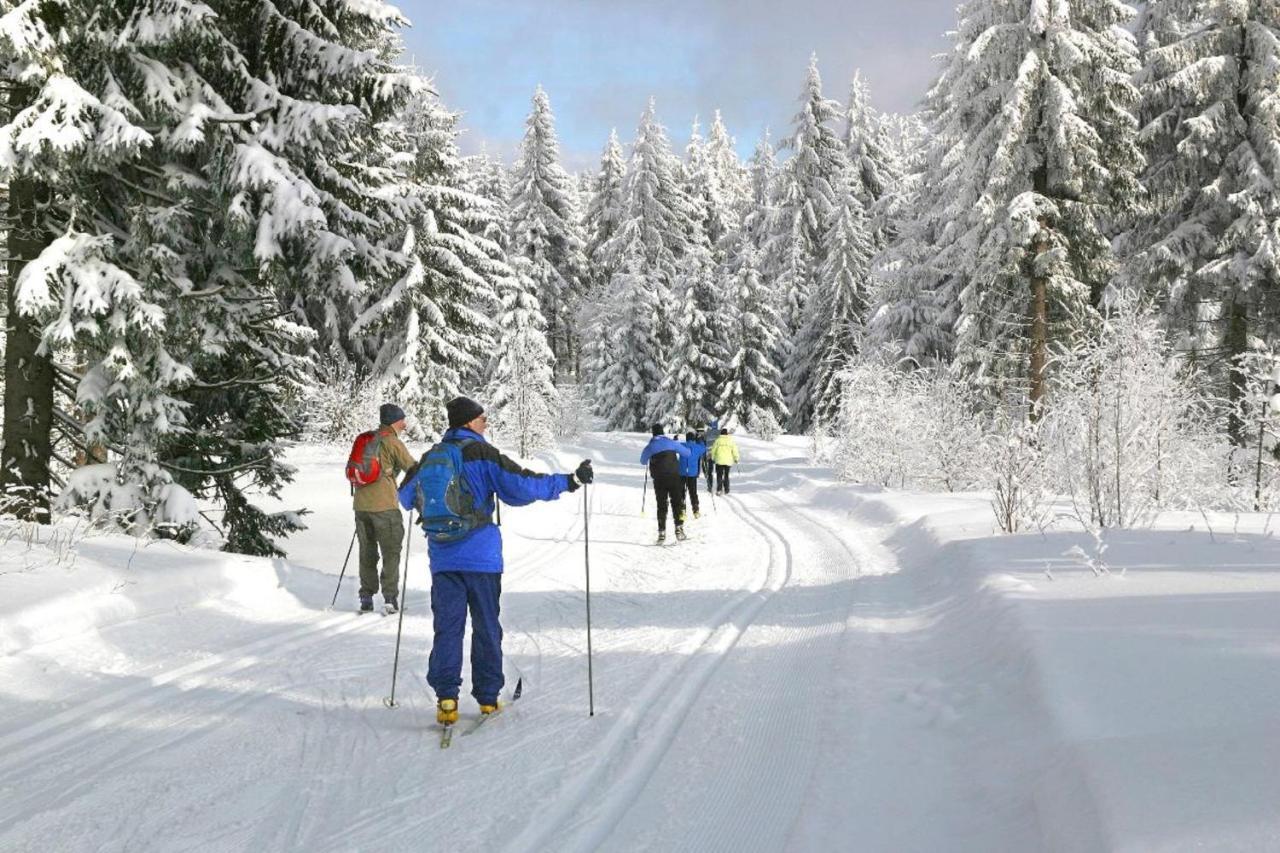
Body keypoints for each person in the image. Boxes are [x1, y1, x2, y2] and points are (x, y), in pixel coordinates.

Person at [398, 395, 593, 726]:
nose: (486, 423)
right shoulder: (482, 454)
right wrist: (570, 482)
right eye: (482, 419)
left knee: (447, 627)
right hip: (481, 557)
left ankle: (447, 699)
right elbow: (521, 486)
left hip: (443, 558)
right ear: (470, 422)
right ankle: (488, 698)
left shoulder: (432, 457)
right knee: (486, 625)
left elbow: (405, 497)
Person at [353, 403, 416, 614]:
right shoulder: (392, 442)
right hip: (385, 506)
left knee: (367, 551)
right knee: (391, 551)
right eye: (402, 420)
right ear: (394, 422)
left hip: (361, 506)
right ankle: (390, 598)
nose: (404, 424)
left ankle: (366, 597)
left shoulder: (365, 439)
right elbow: (413, 468)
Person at [640, 424, 690, 543]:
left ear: (653, 434)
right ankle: (679, 529)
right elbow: (687, 453)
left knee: (661, 505)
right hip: (674, 477)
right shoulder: (671, 443)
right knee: (677, 502)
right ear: (663, 432)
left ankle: (661, 533)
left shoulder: (650, 446)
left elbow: (642, 461)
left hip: (659, 479)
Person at [680, 431, 707, 519]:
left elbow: (673, 446)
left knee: (681, 492)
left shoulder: (682, 445)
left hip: (682, 473)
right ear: (693, 439)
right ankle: (696, 510)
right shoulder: (697, 447)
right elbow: (704, 448)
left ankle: (682, 510)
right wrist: (700, 440)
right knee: (693, 492)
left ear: (686, 438)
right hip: (692, 474)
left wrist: (675, 439)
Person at [709, 426, 741, 495]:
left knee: (719, 475)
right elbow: (735, 450)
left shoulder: (717, 440)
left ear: (721, 434)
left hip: (719, 461)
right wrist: (736, 458)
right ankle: (726, 489)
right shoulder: (730, 441)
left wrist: (712, 458)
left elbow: (713, 450)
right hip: (728, 461)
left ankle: (719, 489)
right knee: (726, 475)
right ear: (727, 434)